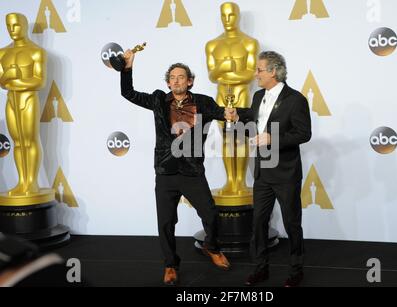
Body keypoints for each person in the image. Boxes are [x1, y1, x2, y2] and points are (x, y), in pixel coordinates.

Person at [120, 50, 231, 286]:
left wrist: (233, 113)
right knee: (166, 223)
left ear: (190, 81)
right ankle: (170, 265)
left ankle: (211, 247)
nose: (176, 80)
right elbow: (127, 93)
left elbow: (223, 113)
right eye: (172, 77)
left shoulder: (203, 102)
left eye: (181, 77)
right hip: (166, 171)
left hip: (192, 171)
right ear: (168, 82)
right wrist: (127, 68)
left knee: (211, 215)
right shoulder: (158, 100)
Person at [227, 51, 311, 287]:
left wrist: (272, 139)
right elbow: (253, 128)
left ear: (273, 71)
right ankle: (260, 268)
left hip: (285, 173)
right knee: (258, 223)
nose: (256, 74)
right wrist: (235, 120)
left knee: (292, 223)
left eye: (259, 70)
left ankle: (296, 271)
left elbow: (303, 134)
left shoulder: (296, 99)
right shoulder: (257, 97)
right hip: (262, 173)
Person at [205, 1, 259, 197]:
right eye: (223, 16)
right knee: (226, 139)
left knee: (241, 138)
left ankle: (241, 182)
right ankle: (230, 181)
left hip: (242, 94)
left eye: (231, 15)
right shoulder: (212, 44)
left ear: (238, 16)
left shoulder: (249, 43)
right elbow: (212, 75)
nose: (227, 20)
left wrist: (223, 73)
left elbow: (250, 74)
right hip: (221, 95)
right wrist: (227, 67)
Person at [0, 13, 47, 196]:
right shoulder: (3, 53)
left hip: (28, 99)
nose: (12, 30)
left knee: (30, 139)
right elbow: (2, 81)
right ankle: (22, 182)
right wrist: (10, 77)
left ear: (24, 26)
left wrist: (15, 79)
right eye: (9, 26)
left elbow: (39, 81)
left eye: (16, 26)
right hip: (12, 99)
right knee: (17, 142)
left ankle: (32, 183)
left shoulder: (36, 51)